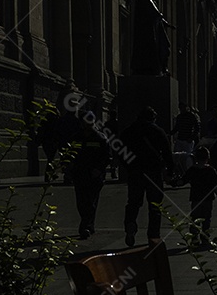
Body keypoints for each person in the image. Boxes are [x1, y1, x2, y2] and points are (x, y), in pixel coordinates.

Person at [120, 107, 175, 246]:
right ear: (153, 118)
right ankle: (153, 236)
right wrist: (170, 171)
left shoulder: (128, 131)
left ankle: (130, 226)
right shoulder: (158, 131)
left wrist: (128, 167)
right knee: (155, 205)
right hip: (153, 173)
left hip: (135, 172)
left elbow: (120, 151)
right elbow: (167, 153)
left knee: (133, 203)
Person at [72, 107, 110, 239]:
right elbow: (71, 155)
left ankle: (85, 227)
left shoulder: (100, 138)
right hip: (80, 174)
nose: (88, 125)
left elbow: (106, 157)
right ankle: (90, 225)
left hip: (94, 176)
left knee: (91, 201)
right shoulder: (76, 137)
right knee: (81, 202)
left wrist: (99, 170)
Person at [186, 147, 217, 240]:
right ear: (207, 158)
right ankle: (205, 236)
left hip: (195, 198)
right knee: (206, 219)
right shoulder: (210, 171)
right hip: (208, 199)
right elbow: (216, 187)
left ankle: (194, 237)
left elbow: (183, 180)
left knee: (195, 218)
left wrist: (173, 182)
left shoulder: (192, 170)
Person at [171, 103, 200, 179]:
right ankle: (178, 174)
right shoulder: (179, 117)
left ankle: (189, 173)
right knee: (176, 157)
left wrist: (192, 138)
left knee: (187, 158)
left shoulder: (191, 116)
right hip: (180, 139)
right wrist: (170, 133)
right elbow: (176, 128)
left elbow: (197, 128)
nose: (181, 109)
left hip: (188, 140)